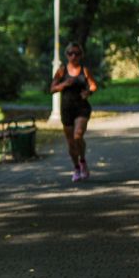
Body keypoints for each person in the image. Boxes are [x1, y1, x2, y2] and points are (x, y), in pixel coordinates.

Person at [50, 42, 98, 182]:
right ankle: (77, 167)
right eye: (71, 53)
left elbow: (93, 84)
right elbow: (52, 89)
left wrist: (88, 92)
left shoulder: (84, 70)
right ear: (66, 55)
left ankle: (82, 161)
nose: (74, 56)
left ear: (81, 55)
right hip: (67, 109)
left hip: (82, 107)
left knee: (78, 136)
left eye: (77, 53)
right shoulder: (61, 71)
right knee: (71, 142)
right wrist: (64, 84)